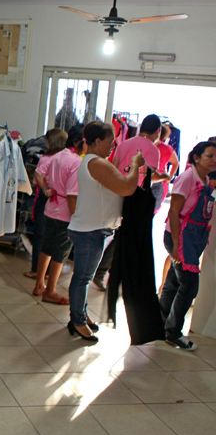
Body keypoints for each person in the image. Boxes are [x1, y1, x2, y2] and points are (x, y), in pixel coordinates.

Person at [66, 121, 143, 342]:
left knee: (83, 277)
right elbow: (127, 188)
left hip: (90, 228)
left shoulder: (93, 162)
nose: (113, 146)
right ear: (97, 141)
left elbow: (118, 184)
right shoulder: (96, 163)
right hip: (90, 230)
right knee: (82, 278)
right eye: (111, 142)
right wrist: (136, 165)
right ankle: (78, 321)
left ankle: (81, 315)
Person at [159, 141, 216, 351]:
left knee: (174, 282)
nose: (214, 160)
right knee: (190, 285)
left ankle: (162, 323)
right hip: (181, 236)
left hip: (195, 237)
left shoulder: (206, 179)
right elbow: (174, 212)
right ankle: (173, 332)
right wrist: (175, 245)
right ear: (197, 158)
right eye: (210, 156)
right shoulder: (187, 178)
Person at [32, 133, 82, 304]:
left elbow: (39, 173)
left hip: (51, 208)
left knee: (47, 247)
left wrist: (46, 188)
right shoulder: (77, 162)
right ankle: (50, 291)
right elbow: (72, 194)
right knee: (60, 253)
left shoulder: (57, 156)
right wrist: (76, 218)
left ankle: (39, 284)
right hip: (65, 212)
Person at [24, 128, 67, 279]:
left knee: (41, 235)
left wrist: (46, 188)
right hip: (62, 200)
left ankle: (37, 269)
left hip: (46, 197)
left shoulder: (46, 159)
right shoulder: (66, 158)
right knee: (56, 236)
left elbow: (37, 177)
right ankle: (49, 271)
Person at [112, 114, 171, 210]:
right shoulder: (152, 149)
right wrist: (164, 176)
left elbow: (113, 168)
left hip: (117, 191)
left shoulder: (124, 144)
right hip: (134, 195)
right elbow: (149, 176)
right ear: (158, 131)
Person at [156, 123, 181, 291]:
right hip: (159, 183)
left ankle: (163, 287)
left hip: (151, 182)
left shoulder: (149, 146)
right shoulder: (165, 148)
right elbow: (176, 163)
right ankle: (163, 287)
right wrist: (169, 177)